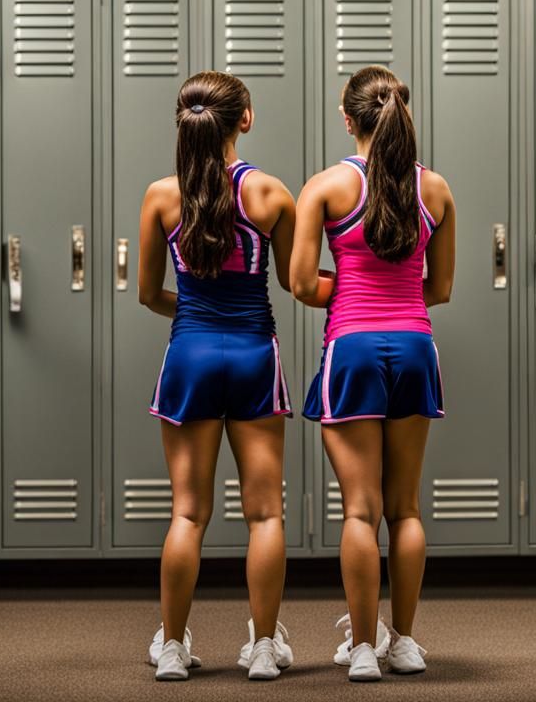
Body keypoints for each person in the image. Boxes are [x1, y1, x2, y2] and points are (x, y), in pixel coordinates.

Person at [290, 65, 456, 682]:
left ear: (348, 119)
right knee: (405, 510)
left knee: (360, 511)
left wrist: (351, 292)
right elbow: (439, 287)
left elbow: (301, 283)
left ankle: (363, 648)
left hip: (352, 347)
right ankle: (405, 642)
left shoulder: (326, 187)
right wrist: (394, 295)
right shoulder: (434, 189)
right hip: (415, 347)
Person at [138, 71, 297, 682]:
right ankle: (264, 648)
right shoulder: (272, 195)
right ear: (244, 119)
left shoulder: (161, 197)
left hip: (191, 355)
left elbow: (150, 293)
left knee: (187, 514)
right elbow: (293, 281)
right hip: (255, 354)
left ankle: (172, 648)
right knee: (265, 514)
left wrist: (198, 313)